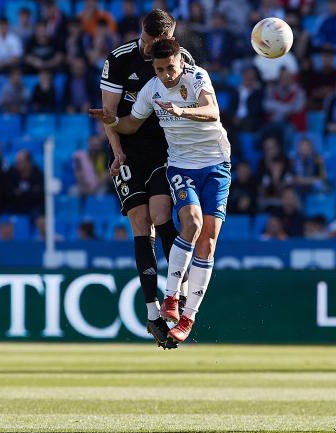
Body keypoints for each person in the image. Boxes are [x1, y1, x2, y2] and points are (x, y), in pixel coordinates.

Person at [90, 37, 231, 346]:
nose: (166, 75)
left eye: (170, 68)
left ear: (181, 61)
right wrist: (110, 120)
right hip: (181, 165)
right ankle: (169, 298)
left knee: (207, 239)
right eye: (159, 69)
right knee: (190, 223)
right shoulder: (151, 90)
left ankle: (188, 316)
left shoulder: (197, 77)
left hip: (216, 163)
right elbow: (130, 124)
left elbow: (211, 111)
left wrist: (181, 112)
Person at [99, 9, 193, 349]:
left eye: (161, 43)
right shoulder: (120, 59)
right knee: (140, 220)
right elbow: (108, 114)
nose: (155, 49)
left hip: (163, 150)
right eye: (151, 42)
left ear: (173, 35)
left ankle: (176, 293)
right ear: (143, 33)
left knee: (161, 213)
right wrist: (117, 151)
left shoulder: (181, 60)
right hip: (125, 147)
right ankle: (153, 312)